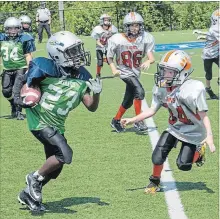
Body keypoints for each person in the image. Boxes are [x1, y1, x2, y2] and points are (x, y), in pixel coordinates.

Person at [14, 31, 102, 211]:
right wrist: (20, 98)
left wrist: (97, 93)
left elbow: (91, 107)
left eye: (78, 50)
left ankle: (29, 195)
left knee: (54, 169)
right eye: (72, 51)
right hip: (39, 121)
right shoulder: (45, 69)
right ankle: (34, 178)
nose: (78, 55)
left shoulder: (81, 77)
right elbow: (23, 82)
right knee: (64, 155)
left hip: (57, 125)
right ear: (58, 54)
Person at [121, 50, 216, 194]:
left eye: (170, 72)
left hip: (194, 131)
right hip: (175, 127)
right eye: (164, 70)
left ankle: (199, 152)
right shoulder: (162, 88)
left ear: (183, 72)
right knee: (157, 155)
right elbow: (152, 110)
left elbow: (204, 115)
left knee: (183, 165)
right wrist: (132, 119)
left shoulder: (193, 89)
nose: (165, 74)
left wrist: (209, 136)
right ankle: (154, 181)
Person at [107, 12, 155, 133]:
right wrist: (113, 69)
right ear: (127, 27)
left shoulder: (145, 38)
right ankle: (138, 121)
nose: (135, 28)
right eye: (132, 25)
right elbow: (109, 57)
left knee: (128, 100)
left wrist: (149, 61)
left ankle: (116, 120)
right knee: (140, 91)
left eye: (137, 25)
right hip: (124, 71)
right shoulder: (117, 39)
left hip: (135, 72)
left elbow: (151, 57)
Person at [0, 17, 35, 120]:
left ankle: (19, 111)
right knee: (6, 91)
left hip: (21, 67)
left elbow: (27, 55)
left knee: (16, 91)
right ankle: (13, 104)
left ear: (19, 28)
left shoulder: (24, 39)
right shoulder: (2, 39)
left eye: (15, 28)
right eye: (10, 28)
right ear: (6, 29)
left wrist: (29, 69)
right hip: (7, 68)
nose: (13, 31)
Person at [193, 8, 219, 99]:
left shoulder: (215, 28)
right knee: (209, 74)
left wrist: (201, 34)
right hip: (208, 55)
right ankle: (208, 88)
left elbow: (210, 35)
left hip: (216, 53)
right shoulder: (215, 28)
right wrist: (202, 35)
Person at [91, 14, 118, 78]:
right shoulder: (98, 29)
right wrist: (102, 46)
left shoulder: (112, 28)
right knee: (100, 62)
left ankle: (114, 71)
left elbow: (114, 37)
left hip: (107, 47)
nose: (107, 21)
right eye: (105, 20)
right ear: (102, 21)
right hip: (99, 47)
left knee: (110, 60)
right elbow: (97, 41)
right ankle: (98, 73)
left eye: (108, 20)